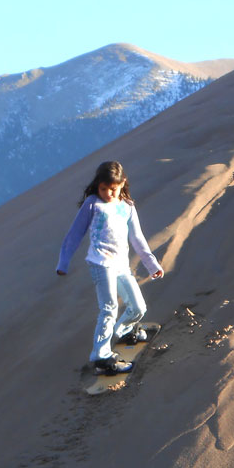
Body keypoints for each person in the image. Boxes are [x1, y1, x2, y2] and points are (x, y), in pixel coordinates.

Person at [56, 160, 164, 375]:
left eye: (112, 189)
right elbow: (74, 234)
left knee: (138, 307)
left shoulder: (127, 207)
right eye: (103, 188)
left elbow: (138, 239)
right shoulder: (92, 204)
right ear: (97, 186)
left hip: (121, 265)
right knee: (109, 309)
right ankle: (101, 355)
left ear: (122, 183)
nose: (107, 193)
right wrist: (63, 262)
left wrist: (152, 264)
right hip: (100, 263)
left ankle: (123, 330)